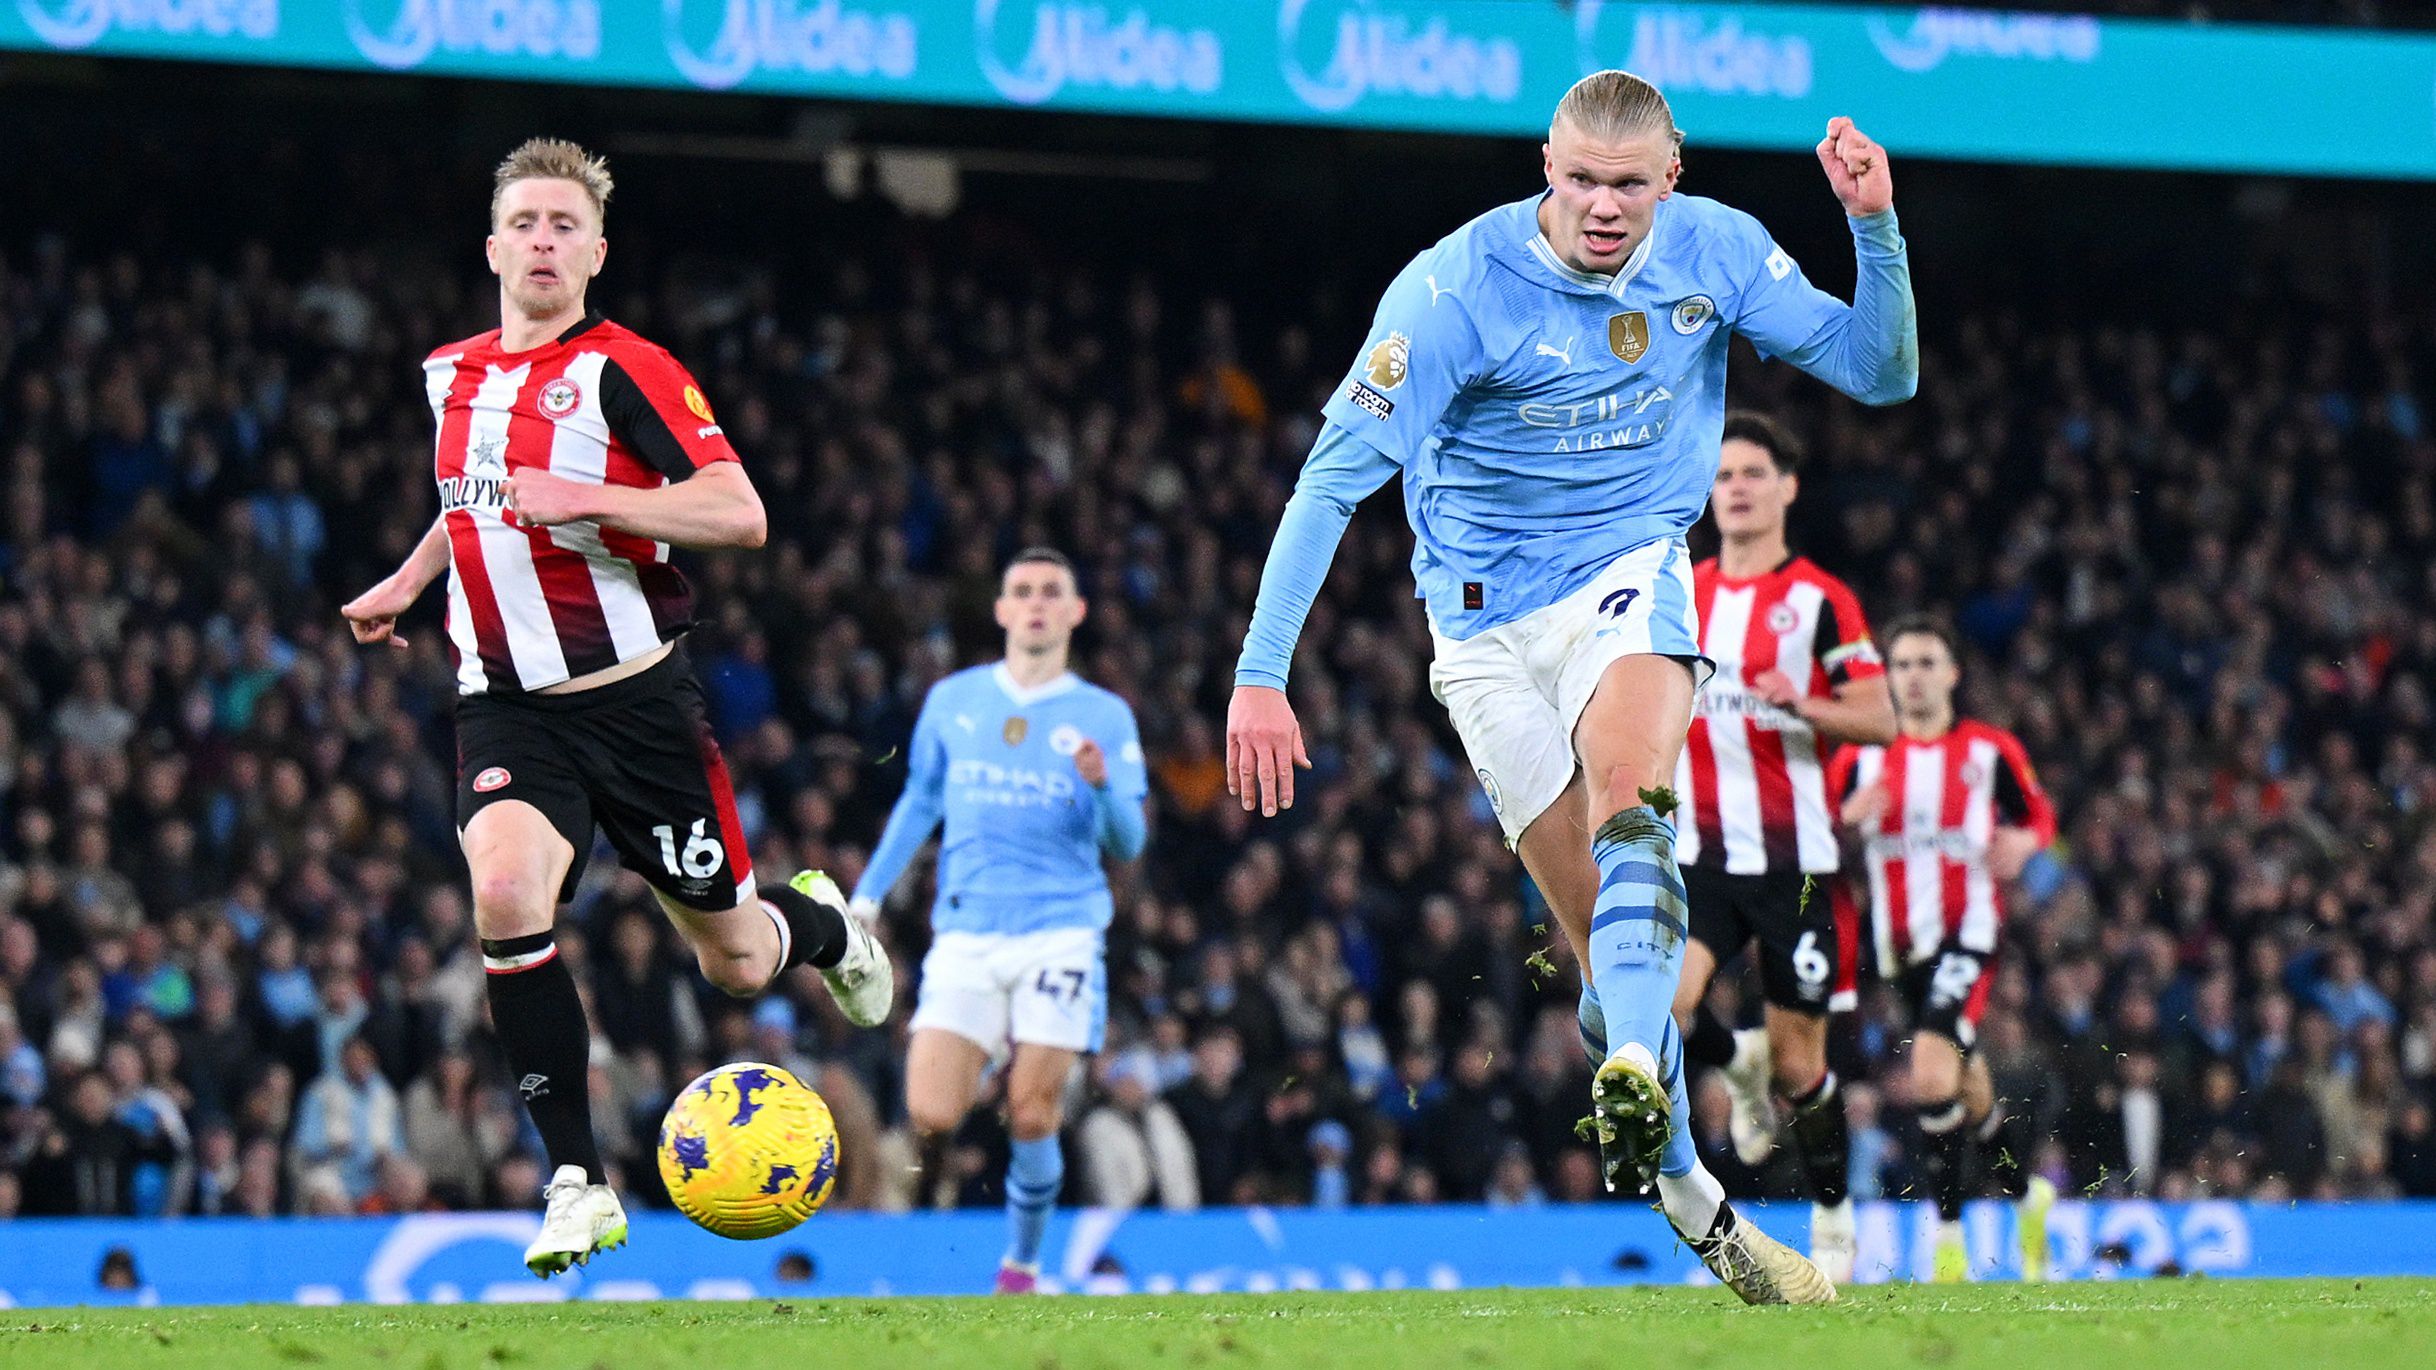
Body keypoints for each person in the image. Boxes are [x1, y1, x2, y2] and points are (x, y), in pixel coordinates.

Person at [1227, 69, 1914, 1304]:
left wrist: (1872, 224)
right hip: (1483, 632)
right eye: (1583, 181)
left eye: (1630, 185)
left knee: (1634, 801)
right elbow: (1329, 482)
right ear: (1548, 165)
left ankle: (1646, 1079)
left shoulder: (1718, 250)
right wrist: (1259, 676)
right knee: (1608, 973)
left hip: (1630, 571)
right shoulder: (1451, 291)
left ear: (1674, 173)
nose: (1604, 208)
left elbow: (1879, 372)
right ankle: (1699, 1197)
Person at [339, 138, 891, 1277]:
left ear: (595, 251)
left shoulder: (624, 369)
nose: (542, 241)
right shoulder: (451, 372)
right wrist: (409, 577)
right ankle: (577, 1180)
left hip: (637, 710)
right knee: (502, 892)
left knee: (736, 961)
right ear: (492, 246)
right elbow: (475, 500)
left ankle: (825, 926)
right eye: (524, 223)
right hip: (503, 702)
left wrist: (589, 495)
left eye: (563, 226)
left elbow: (741, 514)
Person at [854, 548, 1149, 1293]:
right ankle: (982, 1057)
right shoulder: (954, 701)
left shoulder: (1103, 716)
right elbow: (920, 802)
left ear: (1077, 612)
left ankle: (1020, 1265)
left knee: (1032, 1110)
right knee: (930, 1112)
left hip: (1062, 930)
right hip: (967, 934)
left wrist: (1104, 788)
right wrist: (868, 896)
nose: (1038, 603)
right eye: (1023, 592)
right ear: (1002, 610)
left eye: (1054, 591)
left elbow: (1129, 840)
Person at [1667, 411, 1895, 1284]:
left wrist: (1803, 703)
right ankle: (1737, 1056)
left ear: (1788, 488)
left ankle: (1832, 1209)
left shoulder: (1821, 601)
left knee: (1806, 1068)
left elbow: (1879, 715)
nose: (1736, 488)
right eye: (1723, 476)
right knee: (1656, 1015)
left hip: (1797, 866)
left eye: (1753, 473)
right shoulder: (1682, 589)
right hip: (1700, 853)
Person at [1826, 618, 2057, 1282]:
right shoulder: (1862, 756)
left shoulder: (1989, 750)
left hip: (1970, 933)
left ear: (1953, 673)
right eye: (1901, 665)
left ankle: (1948, 1234)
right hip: (1899, 946)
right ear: (1888, 677)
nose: (1914, 676)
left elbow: (2038, 816)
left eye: (1927, 662)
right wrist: (1846, 820)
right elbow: (1820, 836)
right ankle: (2025, 1195)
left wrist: (2024, 843)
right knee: (1964, 1081)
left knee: (1930, 1071)